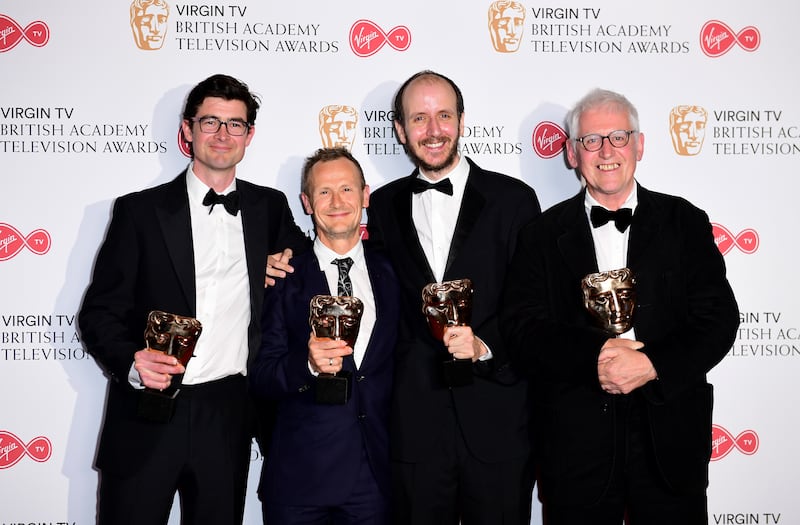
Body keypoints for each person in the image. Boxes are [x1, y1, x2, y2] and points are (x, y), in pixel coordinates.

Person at [500, 88, 739, 524]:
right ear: (572, 154)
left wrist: (652, 365)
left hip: (670, 439)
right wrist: (596, 359)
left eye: (618, 137)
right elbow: (522, 329)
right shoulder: (540, 234)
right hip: (575, 443)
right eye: (591, 140)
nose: (605, 151)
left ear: (640, 145)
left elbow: (718, 320)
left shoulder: (685, 222)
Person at [78, 73, 308, 525]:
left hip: (228, 414)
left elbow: (311, 269)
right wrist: (132, 361)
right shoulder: (139, 211)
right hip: (147, 411)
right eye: (210, 122)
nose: (223, 135)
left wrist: (277, 262)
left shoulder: (270, 208)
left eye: (235, 125)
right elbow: (99, 312)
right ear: (187, 130)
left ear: (250, 135)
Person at [367, 70, 541, 524]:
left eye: (444, 115)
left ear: (462, 121)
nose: (434, 130)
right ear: (401, 131)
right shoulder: (381, 207)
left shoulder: (514, 200)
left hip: (498, 422)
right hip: (415, 426)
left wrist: (486, 347)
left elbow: (533, 306)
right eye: (419, 118)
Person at [249, 147, 400, 524]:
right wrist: (307, 365)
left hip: (378, 478)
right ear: (306, 202)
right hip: (300, 480)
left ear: (366, 195)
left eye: (347, 190)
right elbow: (261, 375)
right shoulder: (280, 278)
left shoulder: (395, 272)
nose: (337, 202)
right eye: (324, 192)